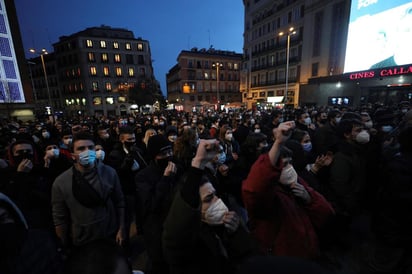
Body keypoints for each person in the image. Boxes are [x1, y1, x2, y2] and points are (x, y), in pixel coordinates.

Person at [162, 139, 258, 274]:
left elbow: (248, 258)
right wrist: (198, 163)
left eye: (214, 195)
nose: (217, 201)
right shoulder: (183, 241)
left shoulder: (220, 228)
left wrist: (237, 232)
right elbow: (179, 222)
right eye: (208, 198)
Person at [242, 121, 335, 259]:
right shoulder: (267, 195)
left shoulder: (297, 183)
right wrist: (278, 143)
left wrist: (309, 199)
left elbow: (327, 213)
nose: (289, 168)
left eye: (290, 163)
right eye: (284, 165)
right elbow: (255, 188)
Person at [51, 132, 126, 251]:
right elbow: (60, 218)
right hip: (82, 241)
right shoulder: (61, 182)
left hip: (109, 233)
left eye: (91, 148)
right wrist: (63, 245)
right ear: (73, 155)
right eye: (81, 149)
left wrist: (121, 229)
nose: (87, 151)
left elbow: (119, 202)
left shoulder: (109, 172)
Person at [134, 134, 179, 274]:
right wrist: (165, 179)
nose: (168, 156)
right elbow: (150, 205)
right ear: (154, 156)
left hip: (176, 225)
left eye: (170, 151)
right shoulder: (143, 176)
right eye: (163, 153)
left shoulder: (178, 168)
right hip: (156, 230)